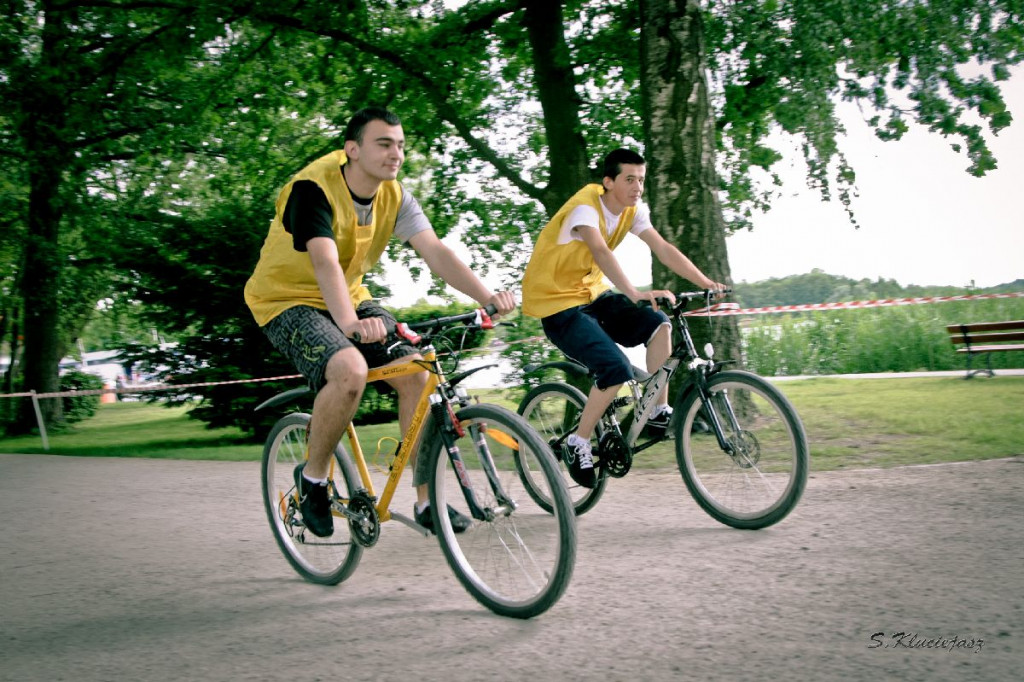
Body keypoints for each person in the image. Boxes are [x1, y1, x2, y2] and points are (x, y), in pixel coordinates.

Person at [244, 107, 515, 537]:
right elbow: (324, 260)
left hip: (349, 297)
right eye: (384, 144)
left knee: (419, 375)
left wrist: (487, 298)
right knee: (349, 370)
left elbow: (436, 251)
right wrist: (349, 324)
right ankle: (312, 480)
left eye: (401, 145)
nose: (396, 154)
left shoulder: (395, 196)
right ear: (352, 149)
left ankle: (426, 501)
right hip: (285, 300)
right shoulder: (311, 189)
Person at [521, 148, 725, 489]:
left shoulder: (632, 211)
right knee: (615, 368)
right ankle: (578, 442)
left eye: (641, 180)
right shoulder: (585, 207)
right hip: (556, 305)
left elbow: (662, 248)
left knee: (659, 323)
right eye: (629, 179)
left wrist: (706, 283)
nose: (637, 187)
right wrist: (634, 292)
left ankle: (658, 409)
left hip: (592, 294)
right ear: (608, 182)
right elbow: (600, 250)